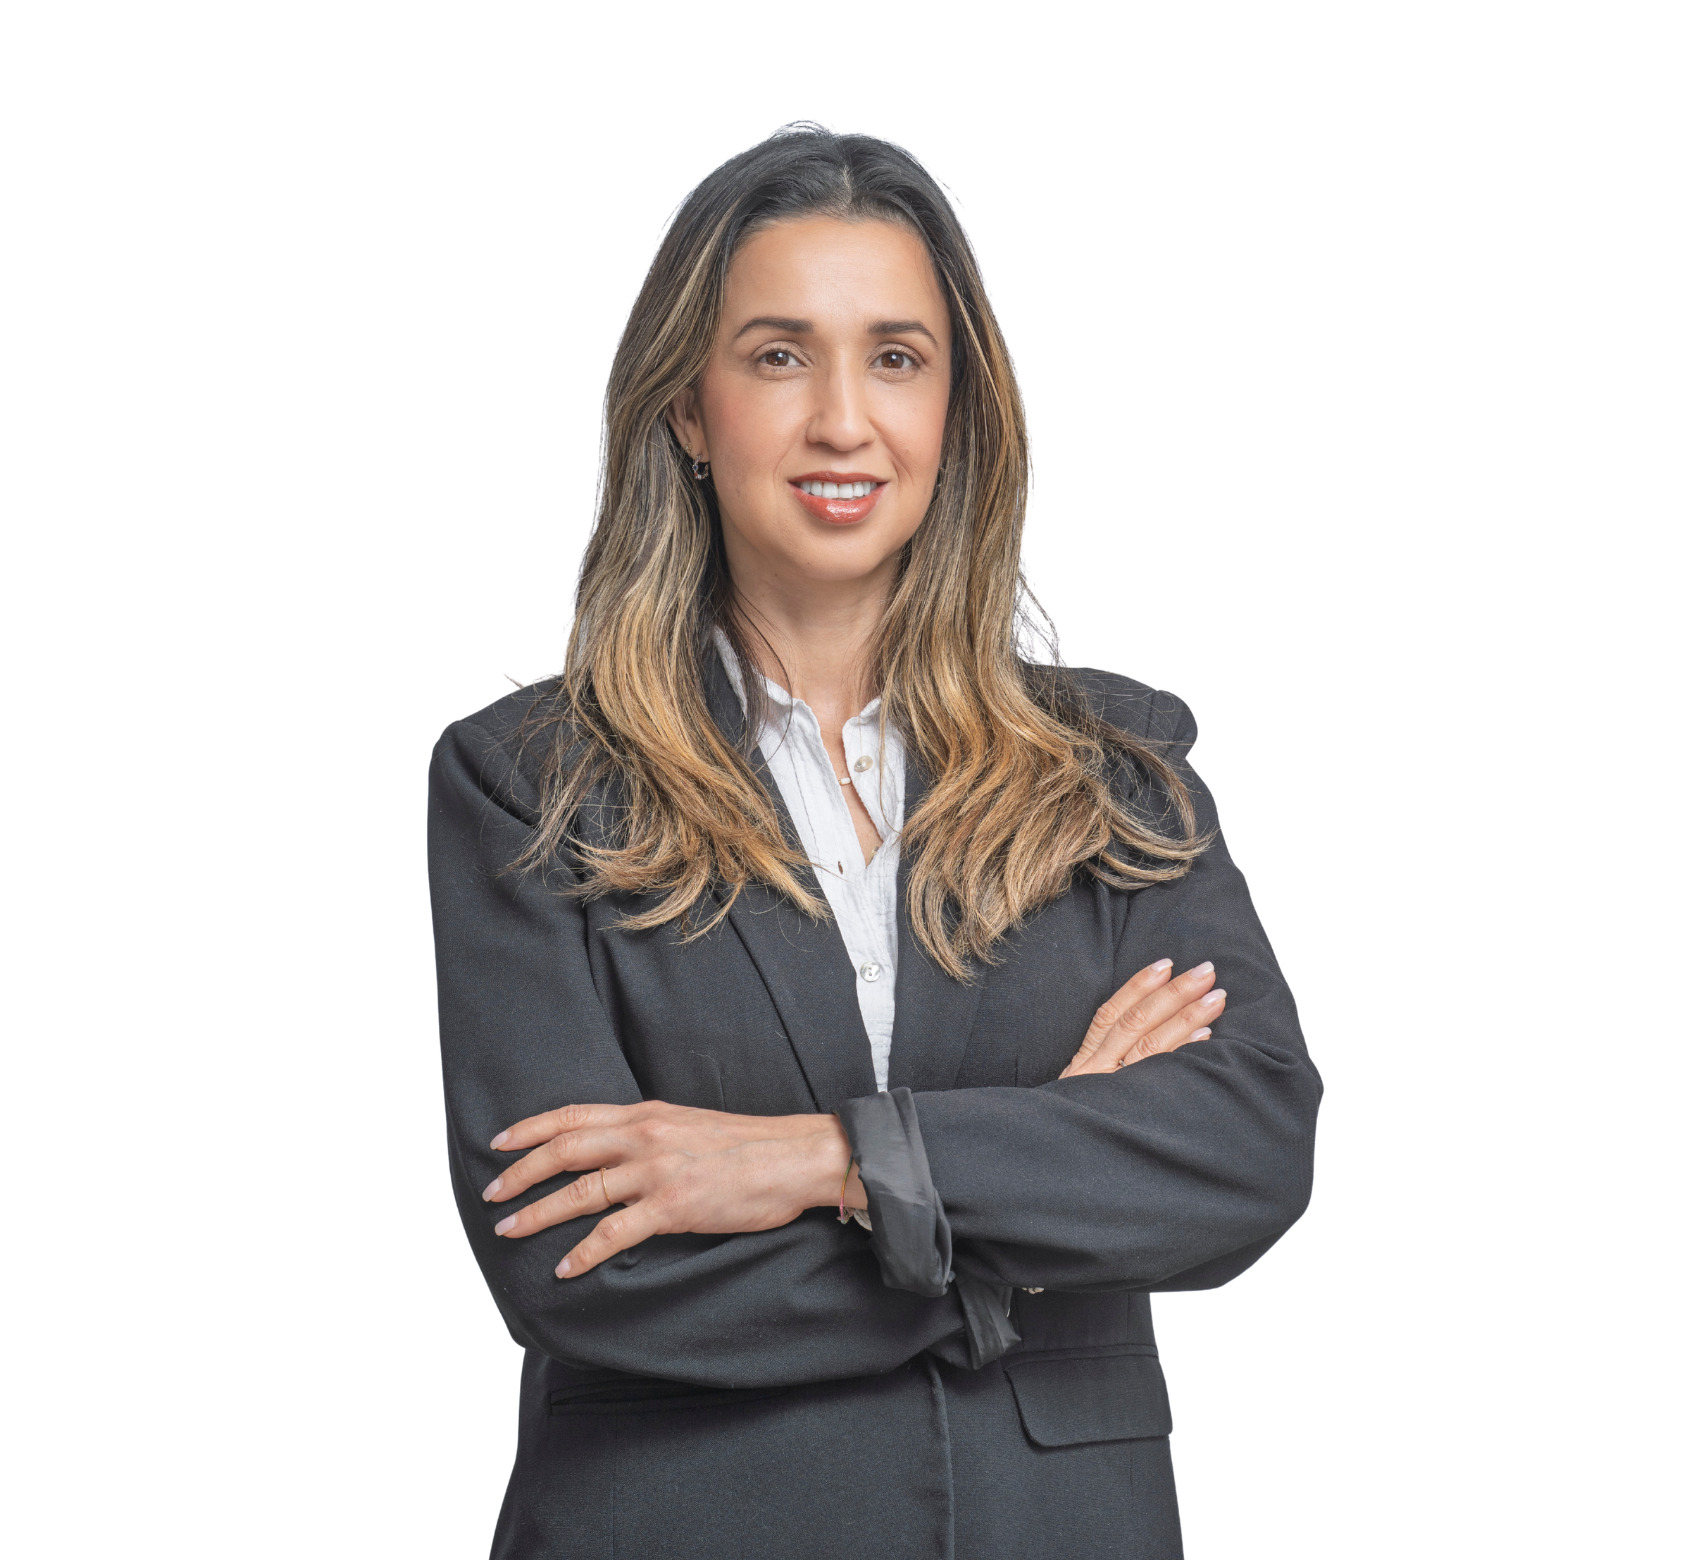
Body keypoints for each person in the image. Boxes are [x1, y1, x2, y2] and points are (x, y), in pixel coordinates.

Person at [427, 124, 1321, 1560]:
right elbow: (576, 1265)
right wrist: (1030, 1221)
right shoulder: (533, 783)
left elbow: (1248, 1149)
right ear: (688, 409)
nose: (844, 420)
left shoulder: (1113, 770)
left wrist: (821, 1162)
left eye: (897, 358)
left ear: (957, 408)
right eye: (780, 356)